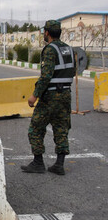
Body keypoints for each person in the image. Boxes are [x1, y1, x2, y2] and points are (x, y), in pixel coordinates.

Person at [21, 20, 76, 175]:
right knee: (61, 128)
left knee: (36, 128)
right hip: (65, 94)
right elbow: (72, 71)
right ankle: (59, 164)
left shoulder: (50, 50)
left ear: (47, 33)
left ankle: (38, 163)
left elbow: (46, 76)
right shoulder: (69, 49)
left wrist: (34, 95)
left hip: (51, 96)